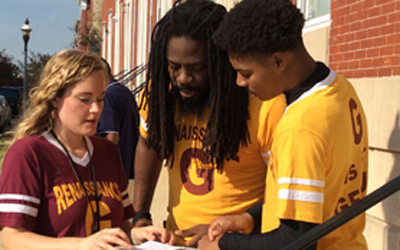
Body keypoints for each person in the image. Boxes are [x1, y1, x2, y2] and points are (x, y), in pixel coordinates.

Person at [197, 0, 369, 249]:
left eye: (246, 73)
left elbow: (297, 240)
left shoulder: (299, 128)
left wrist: (225, 244)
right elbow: (307, 199)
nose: (239, 82)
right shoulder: (340, 89)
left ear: (279, 62)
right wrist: (249, 218)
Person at [133, 0, 286, 246]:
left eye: (197, 68)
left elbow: (282, 188)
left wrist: (236, 229)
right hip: (175, 241)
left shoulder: (264, 102)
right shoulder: (161, 96)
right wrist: (140, 215)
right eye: (174, 67)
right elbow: (149, 143)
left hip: (237, 244)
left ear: (221, 61)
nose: (183, 77)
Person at [0, 49, 174, 250]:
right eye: (84, 99)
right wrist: (81, 245)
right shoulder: (28, 153)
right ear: (54, 98)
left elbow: (121, 227)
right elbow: (12, 239)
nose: (96, 109)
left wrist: (137, 234)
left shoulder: (107, 152)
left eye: (100, 98)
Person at [97, 58, 140, 182]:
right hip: (126, 167)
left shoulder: (108, 96)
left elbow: (112, 135)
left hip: (111, 171)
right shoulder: (125, 92)